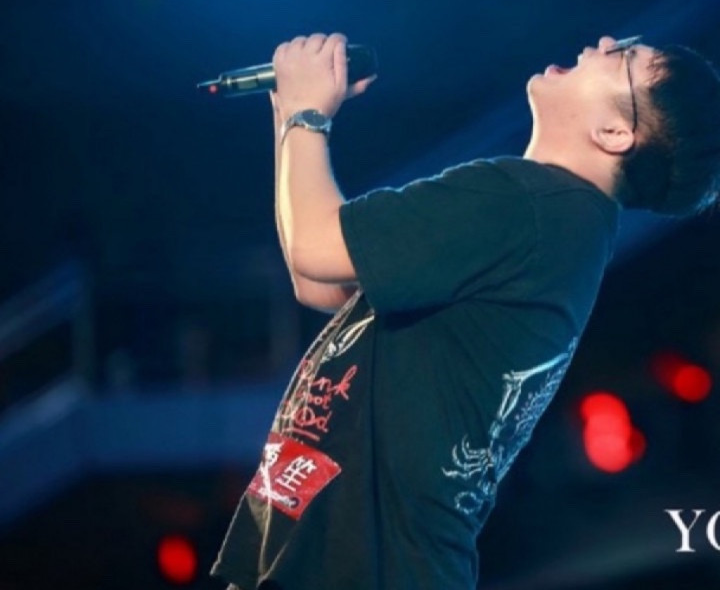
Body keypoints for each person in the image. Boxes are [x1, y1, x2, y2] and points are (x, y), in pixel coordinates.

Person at [211, 33, 720, 590]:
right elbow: (320, 282)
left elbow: (315, 246)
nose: (602, 43)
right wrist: (290, 111)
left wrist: (308, 114)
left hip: (364, 565)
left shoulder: (524, 202)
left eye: (624, 55)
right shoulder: (561, 226)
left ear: (615, 133)